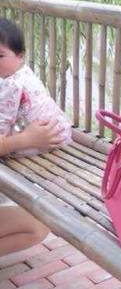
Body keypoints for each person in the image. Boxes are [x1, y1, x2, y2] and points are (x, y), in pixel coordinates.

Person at [0, 18, 71, 258]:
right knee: (38, 224)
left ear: (20, 56)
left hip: (49, 140)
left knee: (38, 223)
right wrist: (24, 140)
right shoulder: (14, 80)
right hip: (49, 140)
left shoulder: (12, 81)